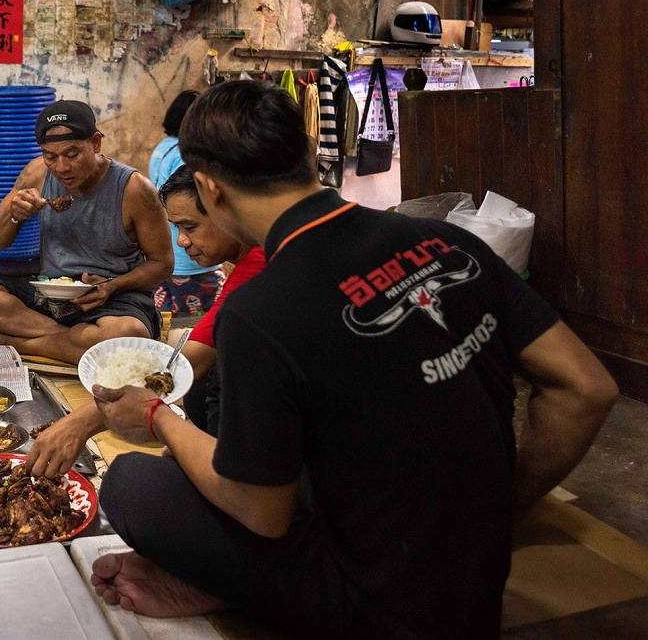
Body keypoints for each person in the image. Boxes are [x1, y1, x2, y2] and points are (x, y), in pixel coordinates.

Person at [88, 80, 619, 636]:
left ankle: (227, 587)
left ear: (208, 188)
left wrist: (156, 416)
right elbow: (587, 388)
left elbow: (261, 513)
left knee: (131, 483)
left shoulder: (262, 309)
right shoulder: (446, 241)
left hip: (378, 610)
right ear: (306, 154)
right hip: (478, 586)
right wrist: (498, 512)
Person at [28, 165, 260, 477]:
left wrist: (79, 424)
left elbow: (185, 364)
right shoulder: (251, 256)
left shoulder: (259, 262)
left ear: (225, 207)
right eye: (178, 228)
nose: (182, 242)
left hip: (263, 474)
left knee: (128, 476)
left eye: (190, 227)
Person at [0, 100, 173, 364]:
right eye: (51, 156)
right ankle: (72, 341)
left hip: (112, 297)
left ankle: (18, 343)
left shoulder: (134, 189)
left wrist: (112, 286)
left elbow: (163, 264)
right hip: (52, 293)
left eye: (72, 154)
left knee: (128, 333)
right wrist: (15, 214)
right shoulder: (37, 172)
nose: (62, 167)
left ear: (96, 143)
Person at [148, 91, 222, 318]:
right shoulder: (185, 153)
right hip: (191, 261)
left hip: (169, 251)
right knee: (196, 325)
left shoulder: (163, 148)